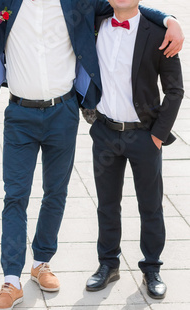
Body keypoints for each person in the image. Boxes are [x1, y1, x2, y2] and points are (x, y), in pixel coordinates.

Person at [0, 0, 185, 309]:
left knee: (56, 192)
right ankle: (11, 280)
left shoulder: (79, 2)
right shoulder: (1, 2)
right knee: (14, 195)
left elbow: (124, 5)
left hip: (64, 111)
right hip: (20, 114)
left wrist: (169, 19)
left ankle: (42, 262)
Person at [85, 0, 183, 300]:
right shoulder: (95, 22)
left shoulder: (157, 33)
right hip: (105, 131)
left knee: (150, 206)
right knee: (107, 204)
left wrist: (157, 136)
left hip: (144, 136)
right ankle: (108, 263)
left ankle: (152, 267)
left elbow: (175, 89)